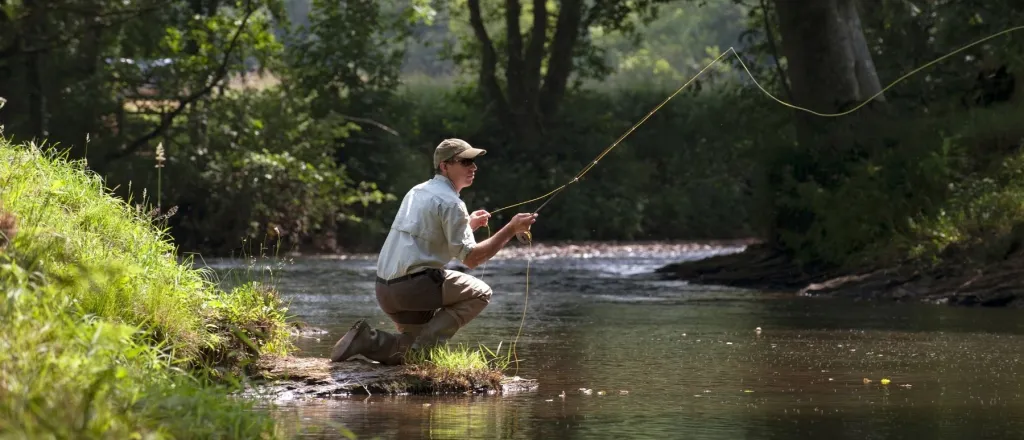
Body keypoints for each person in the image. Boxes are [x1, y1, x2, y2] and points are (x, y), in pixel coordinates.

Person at [330, 138, 538, 365]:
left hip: (385, 290)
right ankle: (423, 348)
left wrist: (467, 225)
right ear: (444, 166)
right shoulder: (452, 203)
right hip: (413, 288)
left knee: (407, 349)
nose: (474, 167)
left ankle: (367, 340)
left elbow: (427, 235)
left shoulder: (417, 191)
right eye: (466, 161)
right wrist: (510, 229)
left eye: (474, 162)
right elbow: (471, 259)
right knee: (481, 292)